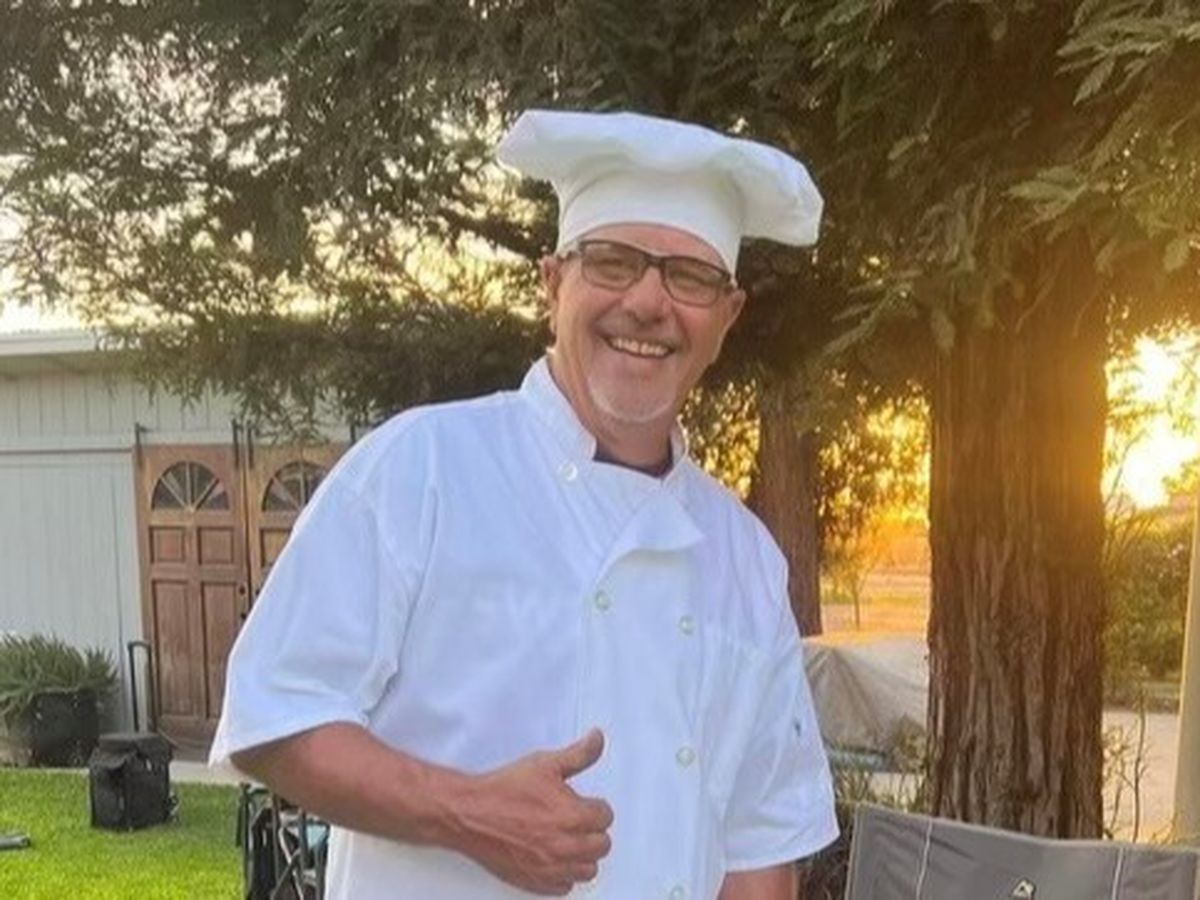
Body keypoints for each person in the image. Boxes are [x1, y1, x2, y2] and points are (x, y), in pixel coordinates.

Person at [211, 109, 838, 900]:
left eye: (690, 277)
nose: (649, 302)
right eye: (613, 262)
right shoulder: (422, 470)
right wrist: (465, 812)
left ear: (727, 316)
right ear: (553, 283)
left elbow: (760, 839)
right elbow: (275, 716)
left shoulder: (744, 558)